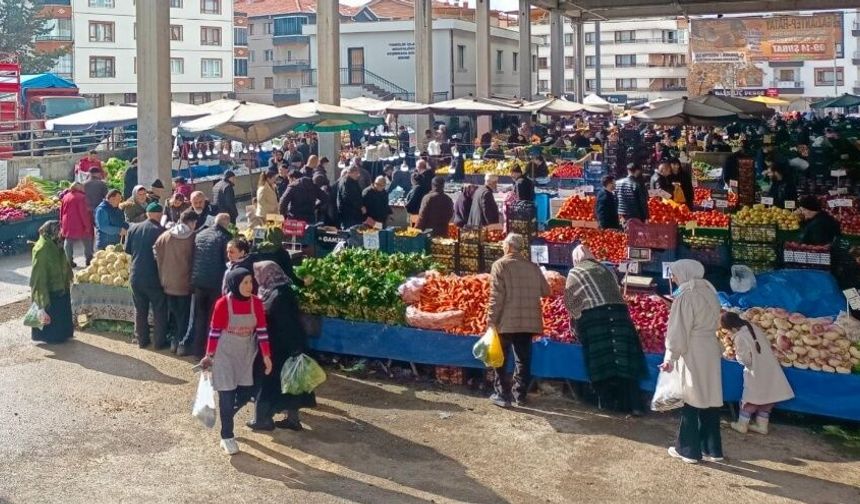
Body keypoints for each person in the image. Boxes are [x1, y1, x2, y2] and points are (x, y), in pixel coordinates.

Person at [563, 245, 646, 414]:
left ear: (576, 259)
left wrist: (575, 324)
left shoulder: (575, 272)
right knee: (622, 360)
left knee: (602, 362)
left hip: (595, 318)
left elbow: (572, 303)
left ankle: (608, 405)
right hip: (620, 315)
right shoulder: (605, 269)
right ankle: (634, 405)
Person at [199, 268, 273, 456]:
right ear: (235, 284)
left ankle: (227, 414)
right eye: (245, 282)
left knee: (248, 391)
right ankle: (227, 436)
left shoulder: (256, 303)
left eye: (250, 282)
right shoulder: (223, 304)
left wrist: (266, 355)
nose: (249, 286)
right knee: (227, 393)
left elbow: (262, 331)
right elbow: (214, 331)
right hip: (225, 352)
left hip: (246, 352)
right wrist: (209, 355)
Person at [660, 259, 723, 464]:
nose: (673, 278)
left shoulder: (686, 296)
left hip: (692, 349)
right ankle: (712, 449)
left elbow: (678, 331)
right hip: (710, 348)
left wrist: (670, 356)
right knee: (710, 397)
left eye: (675, 274)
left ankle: (688, 450)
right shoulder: (710, 293)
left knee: (691, 397)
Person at [247, 261, 316, 431]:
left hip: (280, 346)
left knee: (268, 382)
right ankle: (292, 419)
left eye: (259, 274)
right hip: (285, 345)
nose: (257, 278)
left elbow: (286, 324)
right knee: (290, 382)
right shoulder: (274, 290)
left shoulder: (279, 295)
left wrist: (293, 349)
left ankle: (262, 419)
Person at [487, 233, 550, 407]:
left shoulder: (500, 265)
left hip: (506, 321)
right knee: (523, 359)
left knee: (500, 358)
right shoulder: (533, 267)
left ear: (508, 246)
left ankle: (502, 395)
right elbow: (546, 291)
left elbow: (496, 297)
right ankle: (520, 396)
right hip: (528, 322)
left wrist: (490, 321)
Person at [720, 312, 794, 436]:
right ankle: (762, 425)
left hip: (756, 371)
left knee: (751, 400)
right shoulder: (753, 327)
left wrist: (737, 357)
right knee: (768, 399)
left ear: (732, 328)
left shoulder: (739, 337)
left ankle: (742, 424)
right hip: (771, 367)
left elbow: (746, 360)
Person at [125, 202, 169, 349]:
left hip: (136, 275)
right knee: (159, 309)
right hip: (153, 276)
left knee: (140, 309)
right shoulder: (160, 231)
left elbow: (128, 250)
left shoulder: (134, 228)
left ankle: (142, 340)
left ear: (147, 214)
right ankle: (159, 341)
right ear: (160, 214)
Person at [154, 209, 197, 353]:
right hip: (184, 284)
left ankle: (173, 342)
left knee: (173, 314)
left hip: (167, 282)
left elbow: (155, 251)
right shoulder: (192, 238)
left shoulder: (165, 236)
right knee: (184, 316)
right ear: (192, 222)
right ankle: (181, 345)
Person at [29, 221, 74, 344]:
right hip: (50, 289)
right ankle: (50, 338)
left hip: (61, 286)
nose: (61, 233)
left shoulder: (56, 244)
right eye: (59, 230)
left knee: (62, 314)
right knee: (51, 319)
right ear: (52, 231)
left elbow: (64, 261)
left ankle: (62, 335)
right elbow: (38, 277)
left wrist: (70, 276)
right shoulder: (42, 249)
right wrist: (41, 304)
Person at [59, 182, 94, 267]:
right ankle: (89, 260)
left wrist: (61, 224)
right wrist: (87, 226)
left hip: (67, 222)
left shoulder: (66, 196)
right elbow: (84, 213)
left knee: (68, 242)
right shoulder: (82, 197)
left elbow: (61, 211)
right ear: (79, 188)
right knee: (87, 241)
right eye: (82, 187)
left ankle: (69, 261)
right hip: (79, 223)